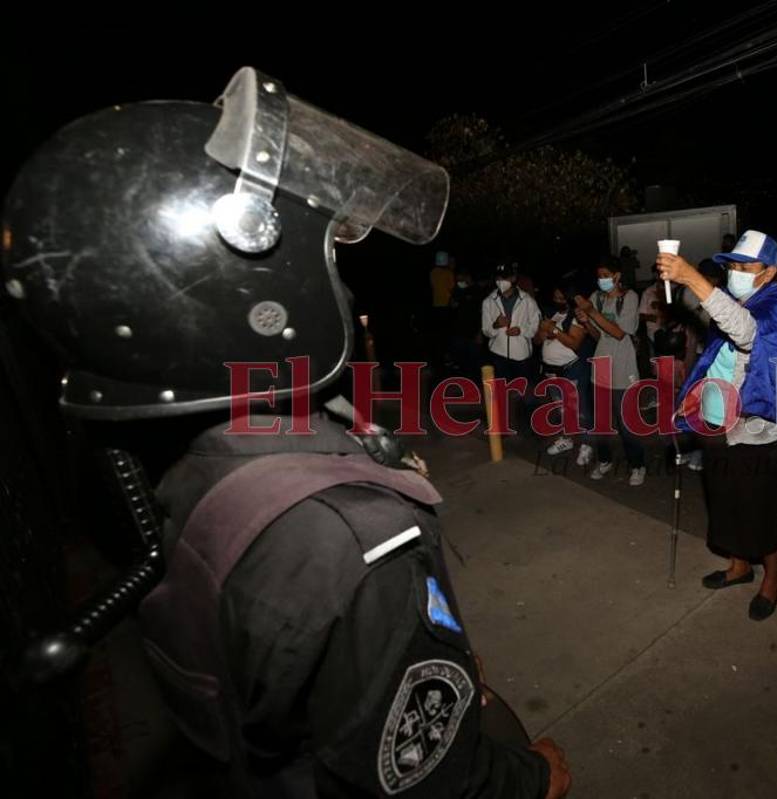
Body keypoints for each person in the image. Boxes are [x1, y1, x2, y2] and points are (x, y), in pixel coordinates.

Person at [0, 67, 569, 797]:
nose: (344, 283)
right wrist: (534, 777)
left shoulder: (176, 464)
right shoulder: (346, 536)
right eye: (326, 256)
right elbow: (430, 775)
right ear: (246, 295)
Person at [658, 231, 777, 621]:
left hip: (758, 427)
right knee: (727, 501)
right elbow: (719, 351)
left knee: (762, 509)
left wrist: (690, 277)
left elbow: (746, 332)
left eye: (744, 266)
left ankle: (772, 579)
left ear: (767, 272)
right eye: (731, 265)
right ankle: (739, 566)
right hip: (719, 421)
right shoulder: (739, 297)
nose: (735, 272)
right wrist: (698, 394)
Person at [576, 258, 646, 486]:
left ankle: (637, 465)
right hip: (601, 368)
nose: (601, 279)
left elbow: (619, 333)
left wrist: (592, 313)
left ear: (617, 276)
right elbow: (600, 336)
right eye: (599, 275)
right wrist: (586, 321)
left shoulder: (630, 297)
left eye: (605, 274)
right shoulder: (597, 298)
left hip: (624, 369)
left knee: (627, 424)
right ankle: (604, 460)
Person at [481, 262, 542, 430]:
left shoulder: (527, 300)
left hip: (521, 354)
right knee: (502, 392)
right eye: (498, 278)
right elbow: (486, 330)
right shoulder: (488, 301)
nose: (501, 281)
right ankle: (505, 424)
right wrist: (495, 324)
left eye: (505, 277)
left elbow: (536, 325)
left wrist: (521, 330)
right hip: (498, 354)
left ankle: (535, 424)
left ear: (514, 278)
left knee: (526, 391)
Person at [538, 284, 592, 460]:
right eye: (556, 298)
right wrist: (543, 332)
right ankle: (568, 438)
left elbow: (575, 343)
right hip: (552, 371)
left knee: (579, 409)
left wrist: (553, 330)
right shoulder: (553, 315)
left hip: (572, 369)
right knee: (562, 408)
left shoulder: (576, 316)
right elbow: (537, 340)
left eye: (562, 298)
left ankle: (586, 443)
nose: (558, 301)